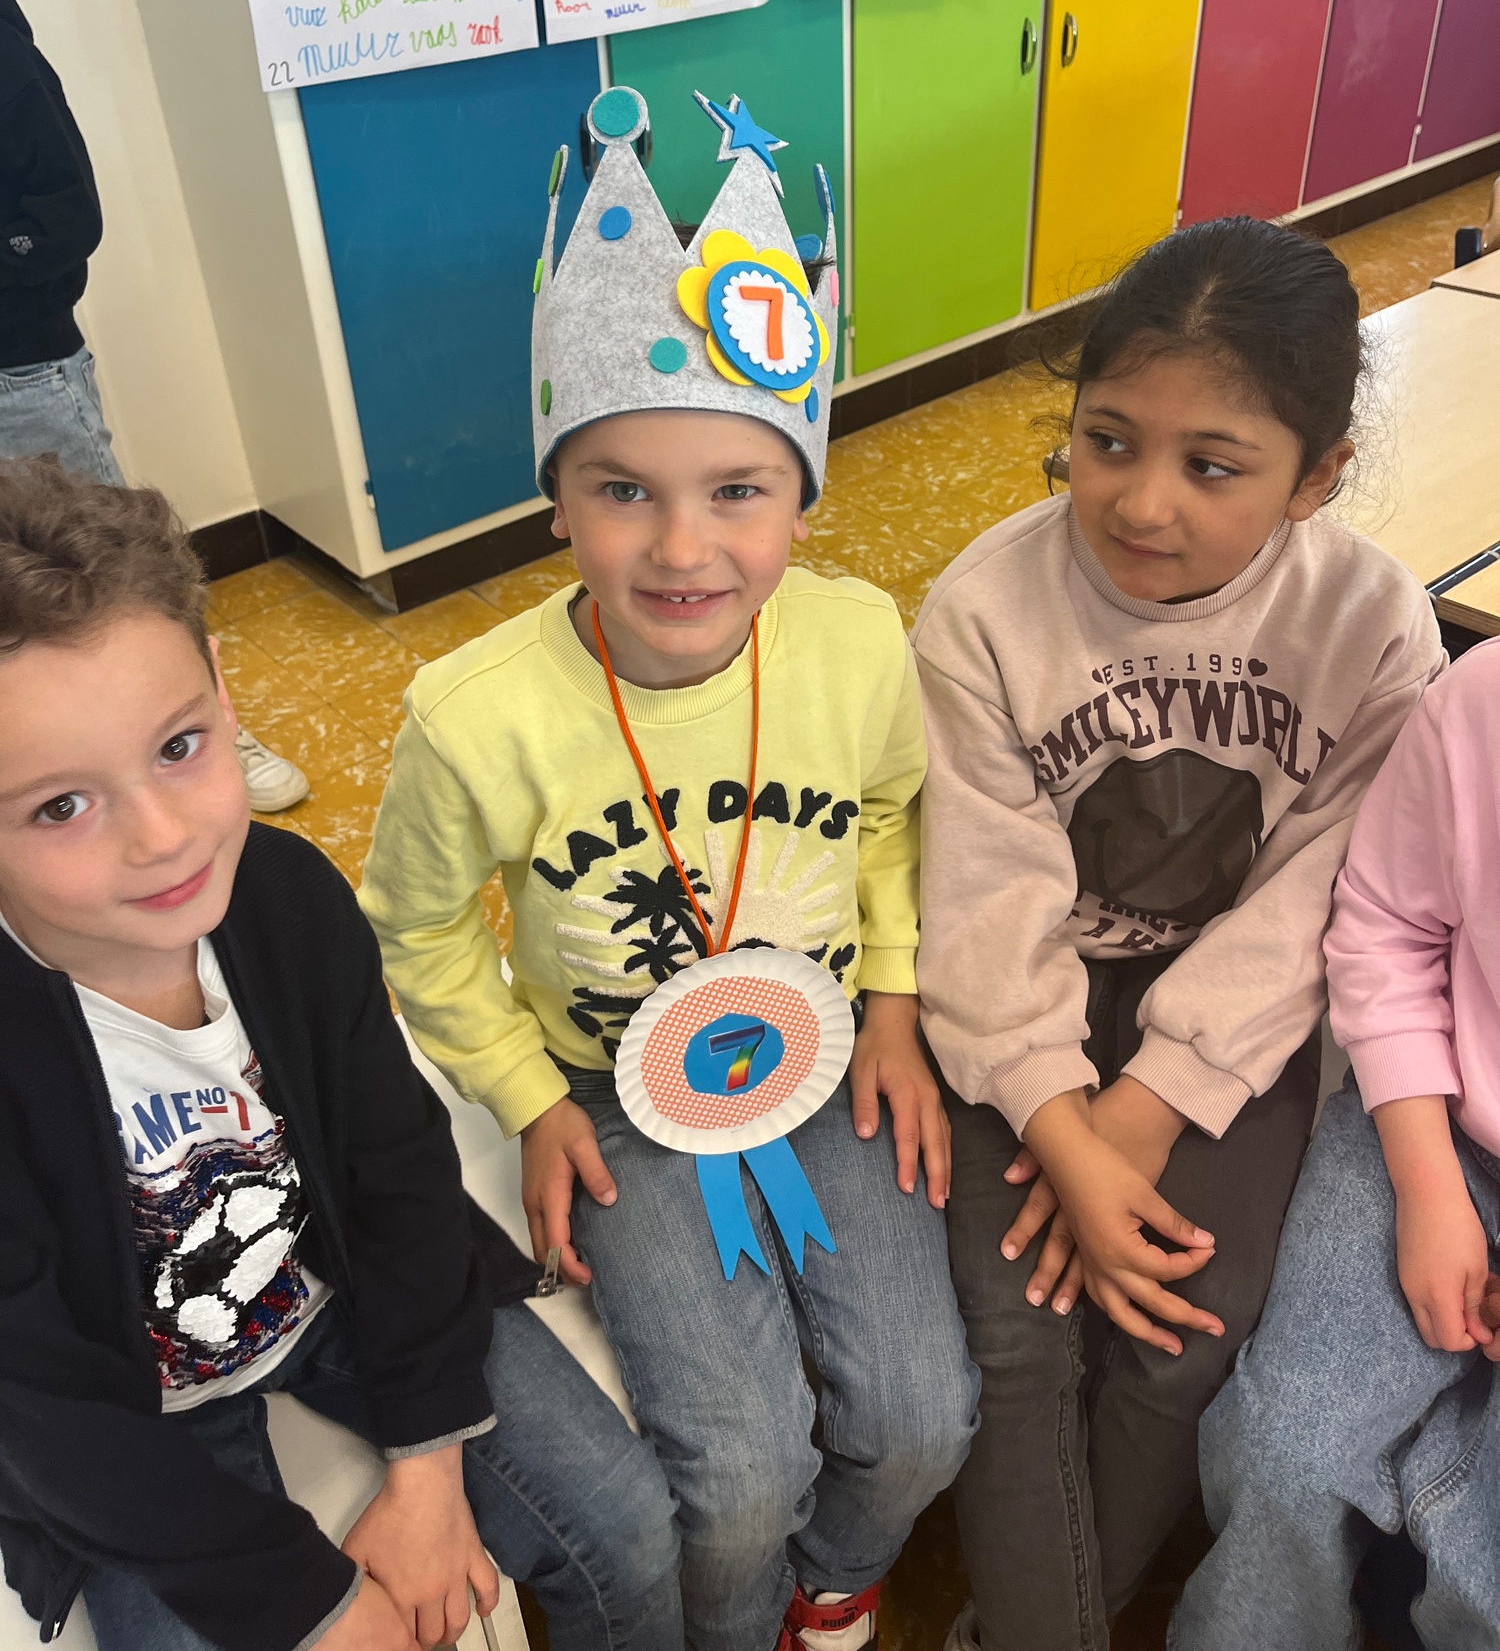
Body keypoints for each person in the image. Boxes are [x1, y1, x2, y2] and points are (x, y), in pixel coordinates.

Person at [359, 86, 978, 1651]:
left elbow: (893, 811)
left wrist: (895, 1001)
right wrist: (528, 1097)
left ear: (803, 497)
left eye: (739, 491)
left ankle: (836, 1583)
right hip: (614, 1098)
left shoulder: (855, 642)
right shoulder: (473, 715)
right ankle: (740, 1620)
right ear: (555, 496)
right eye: (623, 489)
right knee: (736, 1474)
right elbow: (418, 934)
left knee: (923, 1416)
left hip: (825, 1063)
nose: (683, 550)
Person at [0, 454, 680, 1651]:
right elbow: (42, 1406)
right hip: (135, 1414)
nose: (164, 837)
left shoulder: (285, 894)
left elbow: (396, 1165)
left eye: (179, 745)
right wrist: (306, 1600)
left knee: (626, 1525)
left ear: (222, 687)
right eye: (61, 805)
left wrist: (428, 1463)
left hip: (339, 1298)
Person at [910, 217, 1445, 1651]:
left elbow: (1320, 895)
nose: (1143, 502)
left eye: (1214, 466)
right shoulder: (982, 610)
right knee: (1017, 1334)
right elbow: (982, 899)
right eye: (1108, 441)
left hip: (1234, 1021)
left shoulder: (1375, 623)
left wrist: (1146, 1111)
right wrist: (1065, 1128)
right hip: (1022, 1009)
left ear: (1316, 477)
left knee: (1183, 1326)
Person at [1172, 638, 1500, 1650]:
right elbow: (1388, 927)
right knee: (1284, 1447)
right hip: (1437, 1118)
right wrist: (1429, 1186)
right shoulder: (1481, 697)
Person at [0, 0, 307, 816]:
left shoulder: (5, 58)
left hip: (18, 372)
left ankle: (195, 728)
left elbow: (67, 218)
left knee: (106, 577)